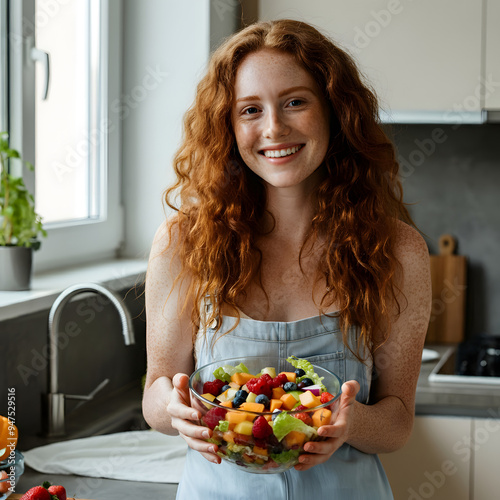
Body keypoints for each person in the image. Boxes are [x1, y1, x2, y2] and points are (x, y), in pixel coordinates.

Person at [142, 19, 431, 499]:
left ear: (334, 112)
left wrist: (348, 420)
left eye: (295, 101)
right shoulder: (183, 243)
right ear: (228, 126)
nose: (274, 128)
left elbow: (397, 422)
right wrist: (176, 412)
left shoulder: (397, 250)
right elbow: (156, 394)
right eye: (250, 109)